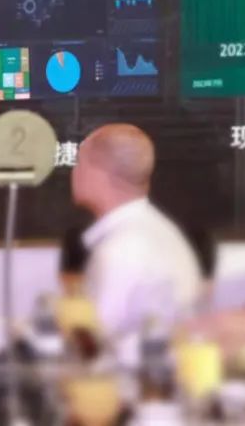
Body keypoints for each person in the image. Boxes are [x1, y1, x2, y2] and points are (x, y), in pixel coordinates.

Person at [71, 124, 202, 337]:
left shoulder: (119, 249)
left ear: (98, 173)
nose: (74, 172)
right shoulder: (164, 232)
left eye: (79, 163)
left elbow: (95, 344)